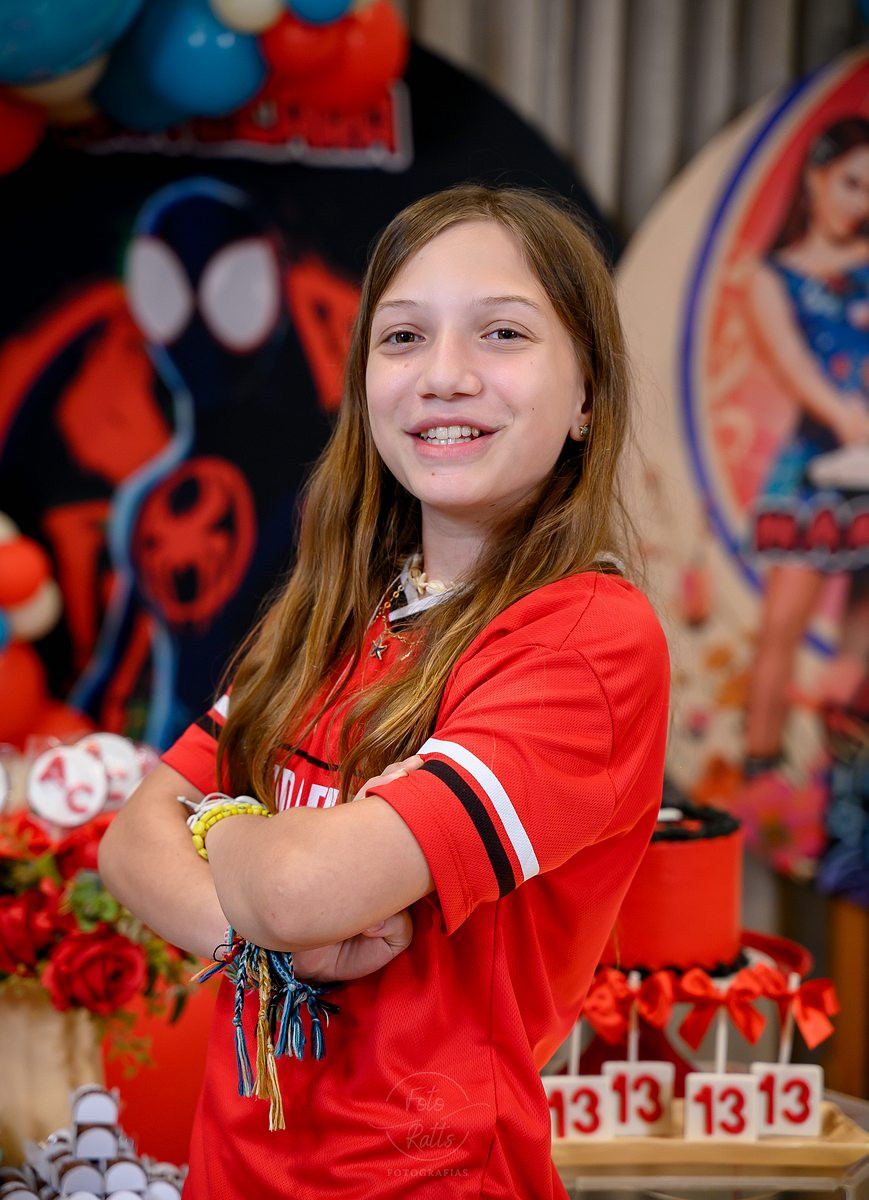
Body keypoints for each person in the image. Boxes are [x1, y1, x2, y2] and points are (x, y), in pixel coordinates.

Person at [99, 184, 670, 1199]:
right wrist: (266, 930)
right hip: (231, 1174)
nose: (444, 376)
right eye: (403, 337)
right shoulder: (334, 609)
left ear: (586, 393)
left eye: (501, 333)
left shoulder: (583, 638)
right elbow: (132, 841)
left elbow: (294, 889)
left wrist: (227, 832)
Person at [744, 117, 869, 777]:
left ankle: (845, 782)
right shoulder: (773, 277)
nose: (860, 203)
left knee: (859, 642)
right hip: (815, 470)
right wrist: (845, 415)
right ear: (817, 178)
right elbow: (792, 365)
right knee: (781, 630)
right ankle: (760, 772)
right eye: (851, 183)